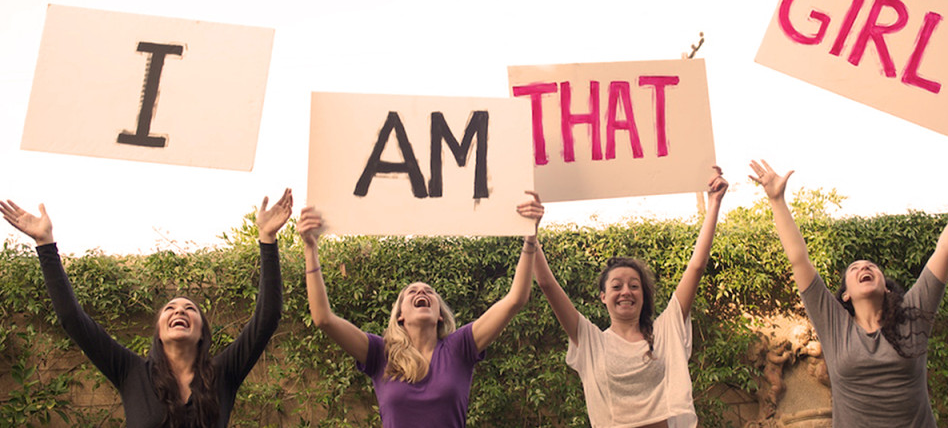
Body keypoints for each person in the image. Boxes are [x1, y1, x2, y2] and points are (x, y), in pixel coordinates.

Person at [748, 159, 948, 427]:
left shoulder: (913, 316)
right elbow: (799, 259)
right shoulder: (834, 325)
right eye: (855, 269)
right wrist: (777, 199)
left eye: (871, 266)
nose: (864, 268)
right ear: (846, 295)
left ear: (885, 286)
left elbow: (944, 250)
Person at [0, 189, 291, 428]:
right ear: (158, 332)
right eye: (170, 308)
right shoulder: (131, 372)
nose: (179, 311)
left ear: (203, 331)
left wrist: (267, 239)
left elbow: (267, 317)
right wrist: (45, 244)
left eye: (190, 309)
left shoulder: (223, 374)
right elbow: (72, 319)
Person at [298, 191, 544, 428]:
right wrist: (310, 249)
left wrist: (530, 238)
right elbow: (323, 319)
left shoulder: (460, 347)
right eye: (411, 292)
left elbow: (515, 299)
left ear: (440, 315)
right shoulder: (380, 354)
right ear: (400, 316)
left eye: (429, 291)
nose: (421, 292)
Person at [533, 166, 729, 428]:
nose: (626, 291)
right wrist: (531, 233)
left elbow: (696, 266)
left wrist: (714, 203)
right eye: (617, 286)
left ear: (643, 295)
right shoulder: (591, 341)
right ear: (603, 297)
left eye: (634, 286)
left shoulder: (665, 331)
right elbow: (546, 283)